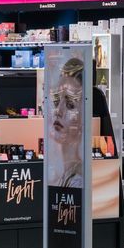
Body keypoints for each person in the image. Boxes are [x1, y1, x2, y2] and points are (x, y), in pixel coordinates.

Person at [48, 58, 87, 187]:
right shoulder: (61, 175)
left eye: (70, 105)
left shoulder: (78, 182)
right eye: (56, 101)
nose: (58, 111)